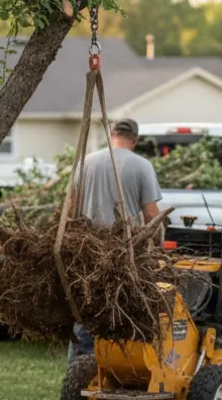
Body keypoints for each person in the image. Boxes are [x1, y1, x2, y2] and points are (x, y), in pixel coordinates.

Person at [68, 118, 163, 363]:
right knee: (124, 312)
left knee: (86, 309)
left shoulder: (86, 162)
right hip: (125, 252)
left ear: (112, 135)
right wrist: (159, 248)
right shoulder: (141, 165)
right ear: (135, 139)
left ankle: (79, 370)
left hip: (86, 248)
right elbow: (152, 215)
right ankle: (120, 369)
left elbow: (70, 207)